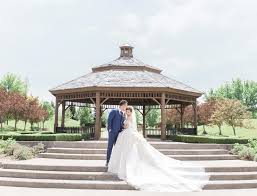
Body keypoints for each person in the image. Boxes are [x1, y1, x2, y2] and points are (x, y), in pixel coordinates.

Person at [108, 106, 209, 192]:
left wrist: (123, 126)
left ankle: (128, 166)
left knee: (130, 151)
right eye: (127, 111)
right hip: (127, 135)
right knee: (126, 151)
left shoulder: (129, 118)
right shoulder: (126, 116)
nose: (127, 112)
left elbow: (126, 126)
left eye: (128, 111)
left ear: (130, 112)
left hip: (128, 134)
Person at [106, 100, 128, 166]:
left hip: (119, 134)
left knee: (117, 147)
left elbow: (122, 124)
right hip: (112, 132)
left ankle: (115, 162)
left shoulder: (123, 114)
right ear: (122, 105)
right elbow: (109, 120)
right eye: (125, 105)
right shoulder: (114, 111)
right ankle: (108, 162)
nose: (126, 107)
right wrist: (109, 129)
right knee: (110, 147)